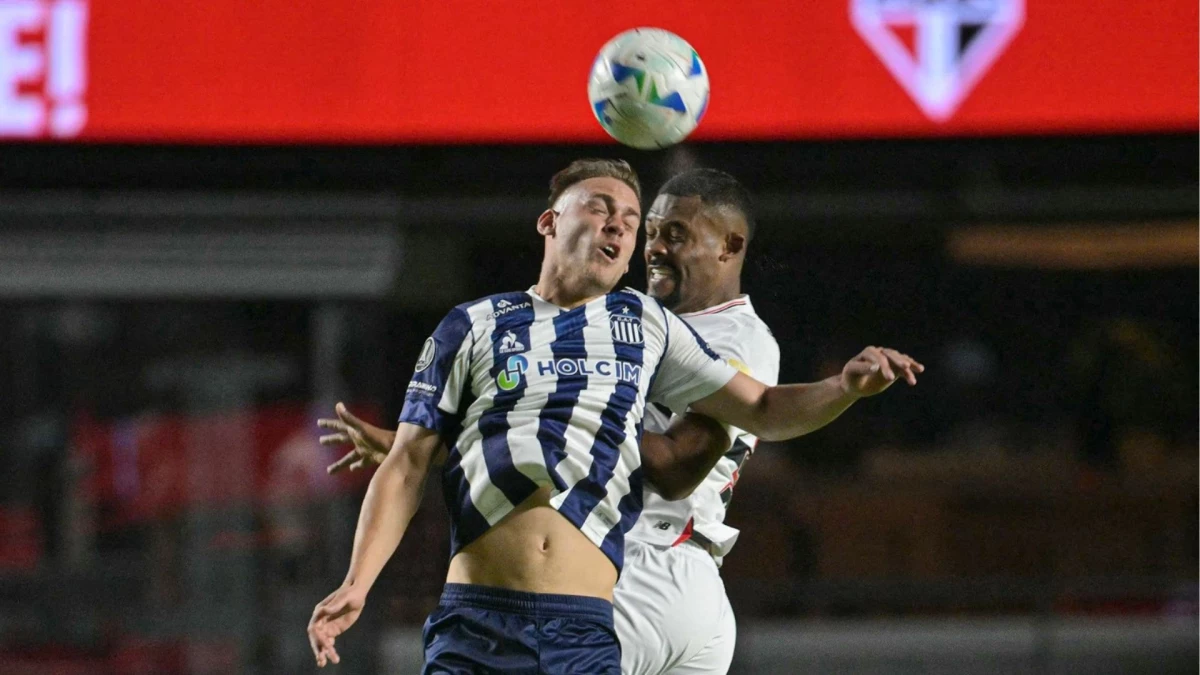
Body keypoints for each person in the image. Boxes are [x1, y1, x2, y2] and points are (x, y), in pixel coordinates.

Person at [308, 159, 922, 674]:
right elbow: (406, 464)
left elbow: (760, 406)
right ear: (549, 221)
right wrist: (357, 582)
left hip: (593, 622)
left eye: (631, 220)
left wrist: (842, 387)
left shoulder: (646, 326)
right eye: (603, 209)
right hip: (479, 620)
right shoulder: (472, 324)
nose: (624, 228)